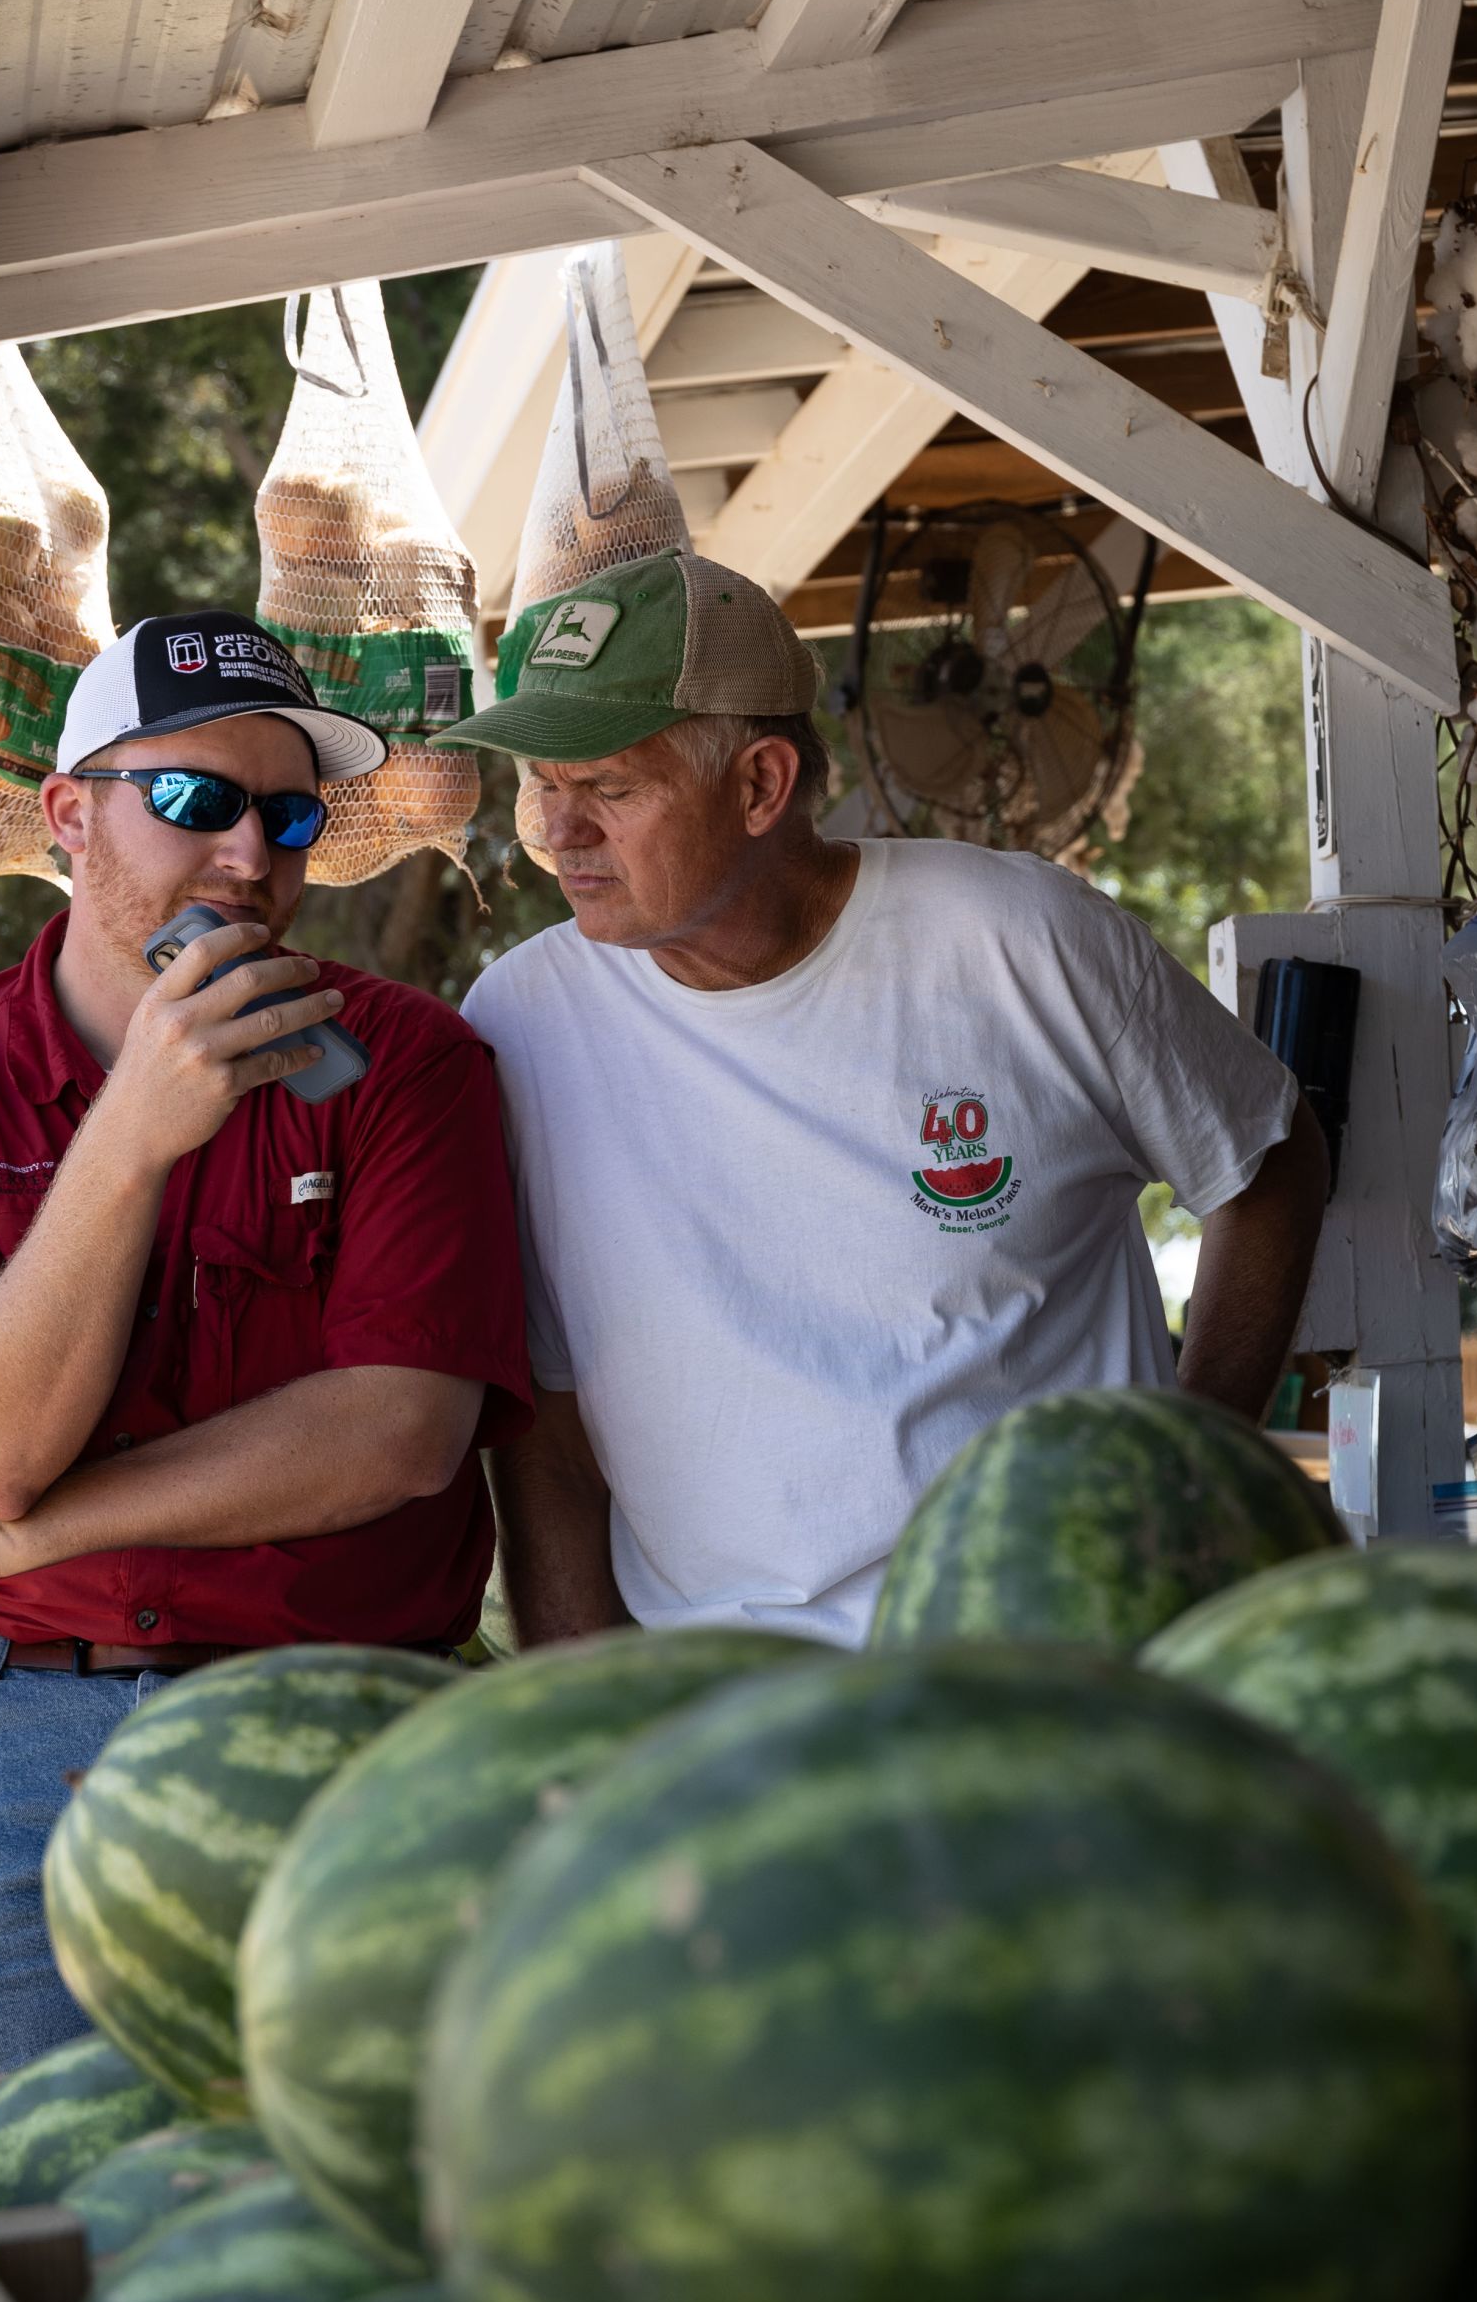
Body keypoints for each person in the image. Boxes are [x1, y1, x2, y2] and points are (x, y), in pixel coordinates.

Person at [0, 616, 533, 2093]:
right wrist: (131, 1133)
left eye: (291, 815)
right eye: (196, 800)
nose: (249, 858)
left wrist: (22, 1534)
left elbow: (399, 1434)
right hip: (6, 1731)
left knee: (388, 2233)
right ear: (70, 812)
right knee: (2, 2241)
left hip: (350, 1715)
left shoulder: (407, 1066)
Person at [437, 548, 1333, 1648]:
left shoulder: (1018, 939)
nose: (560, 835)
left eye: (611, 790)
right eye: (542, 790)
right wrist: (581, 1709)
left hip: (1057, 1659)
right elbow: (548, 1418)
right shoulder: (521, 1017)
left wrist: (1188, 1464)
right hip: (728, 1692)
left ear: (762, 784)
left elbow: (1270, 1157)